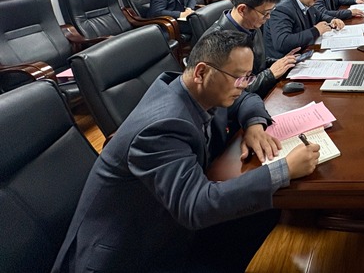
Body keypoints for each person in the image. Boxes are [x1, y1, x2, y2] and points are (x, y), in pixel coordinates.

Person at [52, 31, 321, 273]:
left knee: (267, 216)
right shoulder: (161, 128)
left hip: (169, 221)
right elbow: (195, 206)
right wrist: (284, 169)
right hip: (133, 254)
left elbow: (247, 98)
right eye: (239, 77)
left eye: (248, 77)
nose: (244, 85)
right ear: (201, 72)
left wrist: (254, 125)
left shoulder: (198, 90)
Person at [200, 0, 297, 99]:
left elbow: (258, 62)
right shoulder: (216, 42)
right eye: (265, 13)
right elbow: (232, 91)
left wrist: (283, 62)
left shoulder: (251, 25)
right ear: (242, 10)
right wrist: (271, 74)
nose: (268, 17)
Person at [263, 0, 345, 58]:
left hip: (304, 51)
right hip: (284, 61)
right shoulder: (282, 8)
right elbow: (282, 42)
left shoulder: (305, 0)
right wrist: (316, 31)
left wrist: (332, 20)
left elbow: (319, 15)